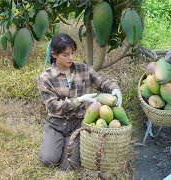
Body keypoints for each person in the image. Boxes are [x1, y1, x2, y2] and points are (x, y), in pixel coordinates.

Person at [37, 33, 122, 170]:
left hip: (77, 123)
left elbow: (101, 81)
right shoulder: (46, 78)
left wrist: (114, 89)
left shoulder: (83, 69)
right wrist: (79, 100)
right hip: (56, 124)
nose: (71, 58)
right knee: (49, 160)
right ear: (54, 55)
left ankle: (67, 142)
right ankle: (55, 140)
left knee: (69, 166)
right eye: (65, 55)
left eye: (72, 53)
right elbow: (53, 107)